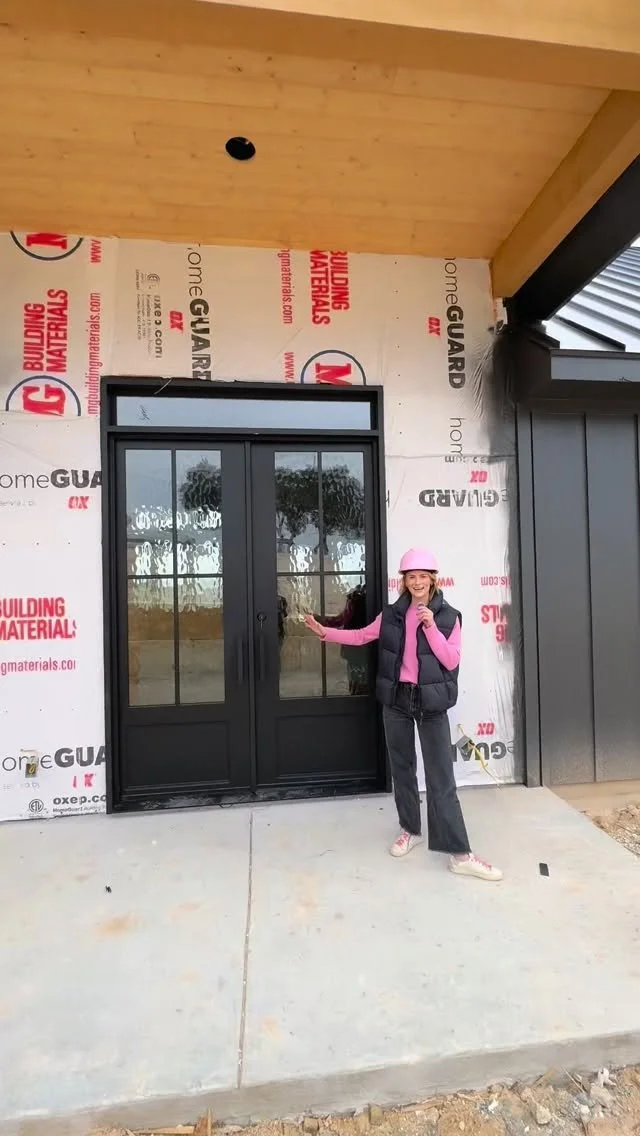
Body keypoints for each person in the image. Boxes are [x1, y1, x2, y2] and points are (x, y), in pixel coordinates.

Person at [304, 548, 502, 882]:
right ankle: (410, 829)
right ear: (404, 581)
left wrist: (430, 627)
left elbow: (450, 660)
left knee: (441, 780)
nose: (417, 582)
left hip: (431, 703)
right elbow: (362, 635)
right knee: (402, 769)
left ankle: (460, 854)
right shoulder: (392, 615)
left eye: (423, 576)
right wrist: (325, 632)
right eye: (412, 577)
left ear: (433, 580)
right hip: (397, 700)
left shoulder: (449, 617)